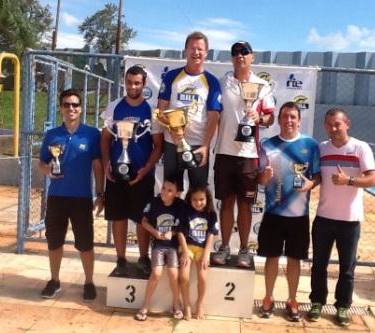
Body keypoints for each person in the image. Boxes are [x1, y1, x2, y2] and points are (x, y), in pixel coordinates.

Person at [307, 108, 375, 326]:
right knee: (319, 265)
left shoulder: (360, 147)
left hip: (350, 221)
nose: (333, 128)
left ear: (347, 124)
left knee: (347, 269)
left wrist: (349, 181)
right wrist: (309, 183)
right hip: (324, 218)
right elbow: (318, 176)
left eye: (337, 124)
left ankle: (343, 307)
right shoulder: (322, 148)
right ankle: (317, 302)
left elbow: (373, 179)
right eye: (329, 124)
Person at [212, 41, 275, 268]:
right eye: (235, 53)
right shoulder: (222, 83)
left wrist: (260, 118)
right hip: (224, 152)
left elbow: (270, 117)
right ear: (232, 58)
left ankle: (245, 249)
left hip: (249, 154)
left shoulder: (263, 85)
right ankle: (225, 246)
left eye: (244, 52)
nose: (240, 56)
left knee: (246, 205)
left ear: (252, 56)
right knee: (226, 202)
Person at [257, 102, 320, 320]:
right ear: (279, 119)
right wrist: (264, 177)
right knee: (271, 258)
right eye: (285, 116)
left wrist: (312, 184)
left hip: (299, 216)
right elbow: (261, 179)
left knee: (295, 259)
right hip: (273, 213)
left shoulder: (310, 145)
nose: (289, 120)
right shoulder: (267, 145)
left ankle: (292, 299)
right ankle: (268, 297)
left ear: (299, 120)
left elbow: (318, 175)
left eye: (293, 117)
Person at [38, 89, 104, 300]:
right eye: (66, 104)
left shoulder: (92, 134)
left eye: (75, 104)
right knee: (54, 241)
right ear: (61, 108)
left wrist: (100, 193)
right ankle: (54, 280)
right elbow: (41, 162)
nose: (71, 108)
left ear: (81, 108)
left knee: (85, 242)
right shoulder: (52, 135)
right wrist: (48, 170)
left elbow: (98, 165)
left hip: (82, 197)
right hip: (57, 196)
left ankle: (89, 282)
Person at [101, 65, 163, 276]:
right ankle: (120, 259)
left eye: (137, 83)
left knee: (141, 219)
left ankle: (143, 257)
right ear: (125, 82)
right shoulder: (114, 107)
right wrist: (108, 163)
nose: (132, 86)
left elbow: (158, 145)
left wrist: (146, 169)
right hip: (117, 173)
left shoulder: (151, 111)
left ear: (144, 84)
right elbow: (105, 138)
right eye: (129, 82)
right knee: (118, 217)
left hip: (141, 174)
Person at [156, 31, 222, 191]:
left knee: (198, 194)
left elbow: (214, 117)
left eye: (200, 49)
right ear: (185, 50)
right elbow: (161, 109)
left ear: (206, 52)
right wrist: (171, 130)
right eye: (192, 48)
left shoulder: (212, 81)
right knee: (172, 192)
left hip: (198, 144)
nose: (196, 52)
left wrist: (206, 146)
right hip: (172, 143)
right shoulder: (171, 76)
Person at [135, 177, 185, 321]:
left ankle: (176, 304)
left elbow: (182, 225)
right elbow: (144, 222)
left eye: (170, 190)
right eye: (163, 188)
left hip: (173, 247)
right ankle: (145, 305)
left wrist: (172, 232)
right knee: (156, 273)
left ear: (177, 193)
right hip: (158, 245)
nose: (164, 192)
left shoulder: (180, 205)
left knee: (174, 274)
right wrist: (154, 232)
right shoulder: (154, 203)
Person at [178, 185, 218, 320]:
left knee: (203, 277)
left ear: (207, 199)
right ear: (189, 199)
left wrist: (207, 253)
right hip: (187, 247)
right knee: (183, 277)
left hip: (202, 249)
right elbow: (180, 233)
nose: (198, 202)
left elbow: (212, 234)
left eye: (201, 199)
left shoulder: (211, 214)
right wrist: (184, 251)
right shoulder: (184, 211)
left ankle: (200, 303)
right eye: (194, 199)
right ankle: (187, 304)